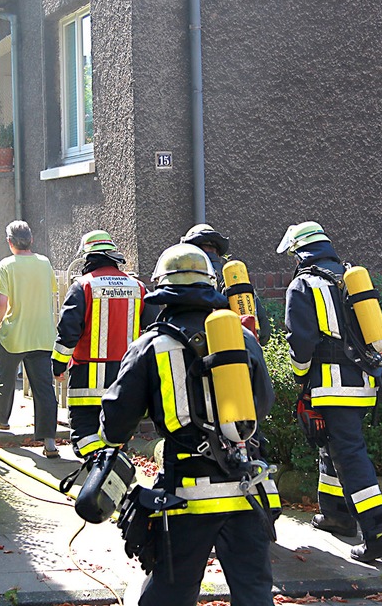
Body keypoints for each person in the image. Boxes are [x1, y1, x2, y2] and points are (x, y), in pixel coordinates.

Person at [99, 243, 280, 606]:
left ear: (163, 291)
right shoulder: (242, 339)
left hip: (187, 495)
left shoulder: (152, 344)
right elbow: (264, 402)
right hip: (248, 489)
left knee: (171, 592)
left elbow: (116, 422)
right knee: (254, 593)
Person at [278, 221, 382, 562]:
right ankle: (336, 517)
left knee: (349, 455)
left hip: (332, 386)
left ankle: (378, 534)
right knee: (332, 449)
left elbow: (300, 343)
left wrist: (301, 378)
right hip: (363, 382)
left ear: (299, 252)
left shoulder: (303, 283)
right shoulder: (348, 276)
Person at [52, 230, 147, 457]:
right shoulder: (139, 288)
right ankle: (111, 467)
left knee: (84, 433)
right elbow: (152, 330)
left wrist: (58, 365)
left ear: (87, 258)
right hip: (126, 379)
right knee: (115, 434)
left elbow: (68, 332)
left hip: (86, 380)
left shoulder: (83, 286)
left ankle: (97, 466)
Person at [0, 220, 60, 457]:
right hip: (42, 335)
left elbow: (1, 302)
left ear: (9, 242)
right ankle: (49, 441)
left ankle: (0, 420)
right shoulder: (44, 263)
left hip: (14, 335)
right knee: (43, 388)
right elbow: (50, 291)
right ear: (32, 240)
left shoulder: (6, 265)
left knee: (4, 377)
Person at [179, 223, 270, 345]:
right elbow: (264, 334)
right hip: (241, 356)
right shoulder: (235, 280)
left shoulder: (186, 282)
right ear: (217, 252)